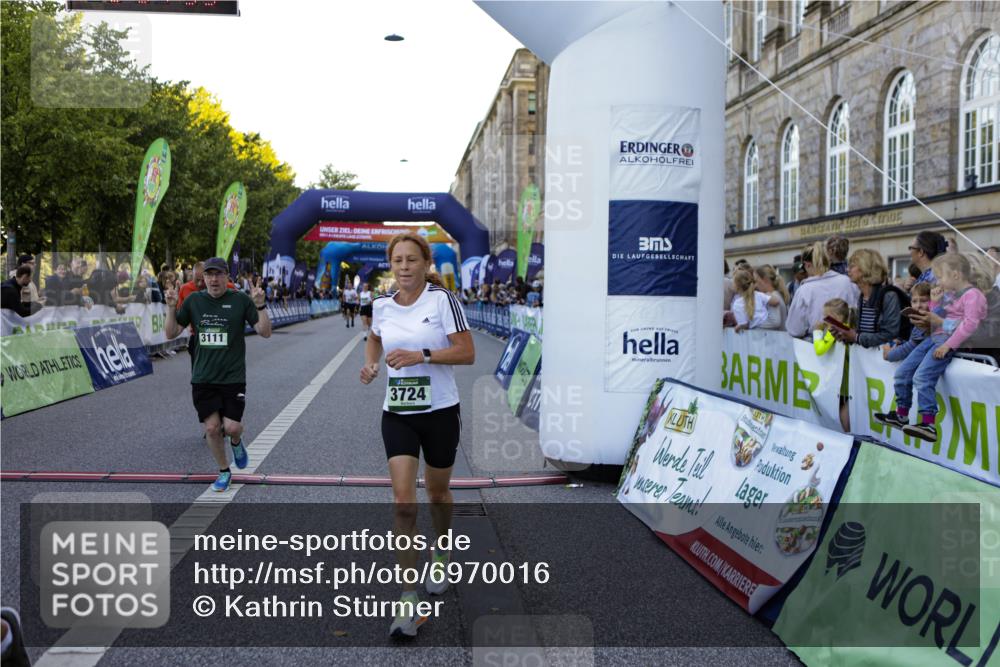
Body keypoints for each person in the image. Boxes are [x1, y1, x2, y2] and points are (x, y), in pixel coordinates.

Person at [359, 233, 474, 638]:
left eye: (411, 260)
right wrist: (372, 366)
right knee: (403, 503)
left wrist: (422, 355)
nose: (404, 267)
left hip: (441, 412)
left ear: (426, 263)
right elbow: (374, 340)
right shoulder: (382, 306)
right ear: (390, 264)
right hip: (399, 414)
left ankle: (441, 551)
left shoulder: (443, 301)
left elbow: (466, 352)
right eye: (397, 260)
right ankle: (410, 601)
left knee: (438, 494)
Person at [164, 257, 271, 492]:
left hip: (232, 377)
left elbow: (264, 332)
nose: (213, 279)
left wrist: (261, 305)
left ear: (227, 278)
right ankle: (224, 471)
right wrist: (171, 308)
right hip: (203, 377)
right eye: (209, 275)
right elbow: (171, 333)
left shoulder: (241, 300)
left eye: (218, 274)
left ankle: (236, 441)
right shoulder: (193, 301)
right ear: (204, 278)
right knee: (212, 428)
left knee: (231, 427)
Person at [874, 253, 987, 442]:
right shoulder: (951, 295)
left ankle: (928, 423)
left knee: (922, 376)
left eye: (941, 276)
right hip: (934, 338)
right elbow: (937, 319)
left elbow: (968, 327)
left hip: (947, 342)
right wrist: (934, 302)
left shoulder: (973, 296)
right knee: (902, 372)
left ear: (956, 275)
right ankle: (901, 415)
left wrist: (947, 345)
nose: (938, 281)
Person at [784, 241, 859, 338]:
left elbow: (794, 329)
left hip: (817, 345)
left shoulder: (804, 290)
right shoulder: (847, 282)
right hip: (848, 342)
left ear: (807, 265)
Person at [832, 249, 902, 349]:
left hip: (883, 362)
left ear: (865, 268)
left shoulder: (889, 296)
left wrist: (856, 337)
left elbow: (890, 335)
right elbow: (864, 335)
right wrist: (844, 335)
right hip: (867, 361)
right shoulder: (862, 297)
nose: (847, 270)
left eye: (852, 266)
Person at [881, 281, 933, 362]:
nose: (918, 305)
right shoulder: (917, 321)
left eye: (923, 301)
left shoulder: (925, 324)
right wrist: (901, 342)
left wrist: (889, 355)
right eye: (914, 301)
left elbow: (909, 348)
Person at [178, 262, 207, 368]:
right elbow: (180, 316)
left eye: (203, 280)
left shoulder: (220, 286)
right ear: (192, 275)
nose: (200, 284)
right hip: (196, 337)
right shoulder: (185, 289)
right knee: (198, 377)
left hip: (218, 338)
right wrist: (172, 307)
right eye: (196, 280)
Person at [753, 264, 789, 330]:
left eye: (756, 281)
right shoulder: (775, 294)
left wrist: (752, 325)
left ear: (765, 279)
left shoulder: (770, 297)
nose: (755, 286)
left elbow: (774, 322)